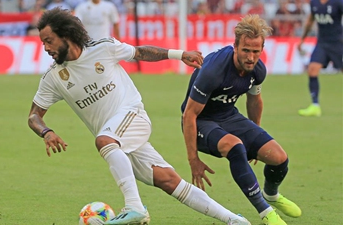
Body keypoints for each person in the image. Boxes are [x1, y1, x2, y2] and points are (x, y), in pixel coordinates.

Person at [27, 7, 252, 225]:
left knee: (104, 140)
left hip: (133, 117)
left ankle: (134, 207)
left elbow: (140, 52)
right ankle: (234, 219)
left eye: (49, 40)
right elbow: (34, 116)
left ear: (66, 35)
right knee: (169, 181)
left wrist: (180, 54)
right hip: (118, 140)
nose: (46, 47)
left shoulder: (103, 48)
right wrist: (46, 132)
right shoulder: (54, 77)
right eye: (43, 42)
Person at [180, 14, 302, 225]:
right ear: (235, 47)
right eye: (246, 50)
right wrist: (193, 160)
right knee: (236, 147)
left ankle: (271, 194)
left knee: (279, 158)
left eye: (256, 51)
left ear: (262, 50)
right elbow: (189, 114)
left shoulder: (258, 70)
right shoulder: (213, 70)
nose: (250, 57)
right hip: (200, 120)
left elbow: (255, 101)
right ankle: (266, 212)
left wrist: (255, 136)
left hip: (228, 115)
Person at [297, 0, 343, 117]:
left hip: (338, 43)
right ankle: (315, 105)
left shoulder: (337, 2)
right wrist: (302, 39)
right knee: (312, 69)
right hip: (322, 43)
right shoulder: (314, 3)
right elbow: (310, 21)